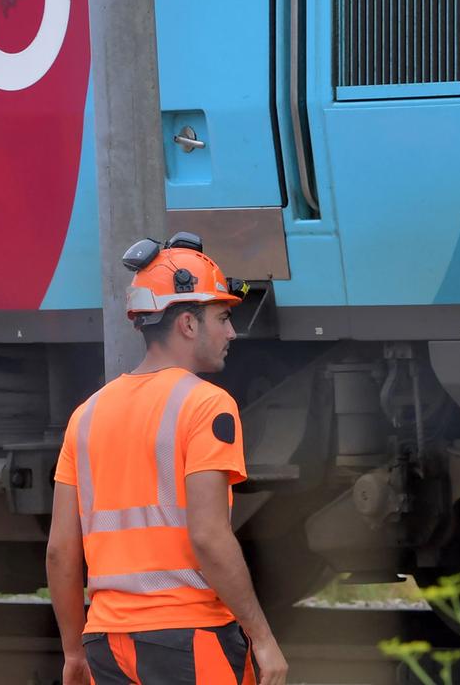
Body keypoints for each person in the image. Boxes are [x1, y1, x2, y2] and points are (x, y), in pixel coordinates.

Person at [46, 234, 290, 685]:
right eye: (222, 317)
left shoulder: (86, 415)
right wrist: (262, 637)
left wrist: (73, 652)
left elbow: (62, 550)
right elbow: (209, 535)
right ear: (187, 324)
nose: (232, 333)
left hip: (106, 643)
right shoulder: (205, 404)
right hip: (189, 636)